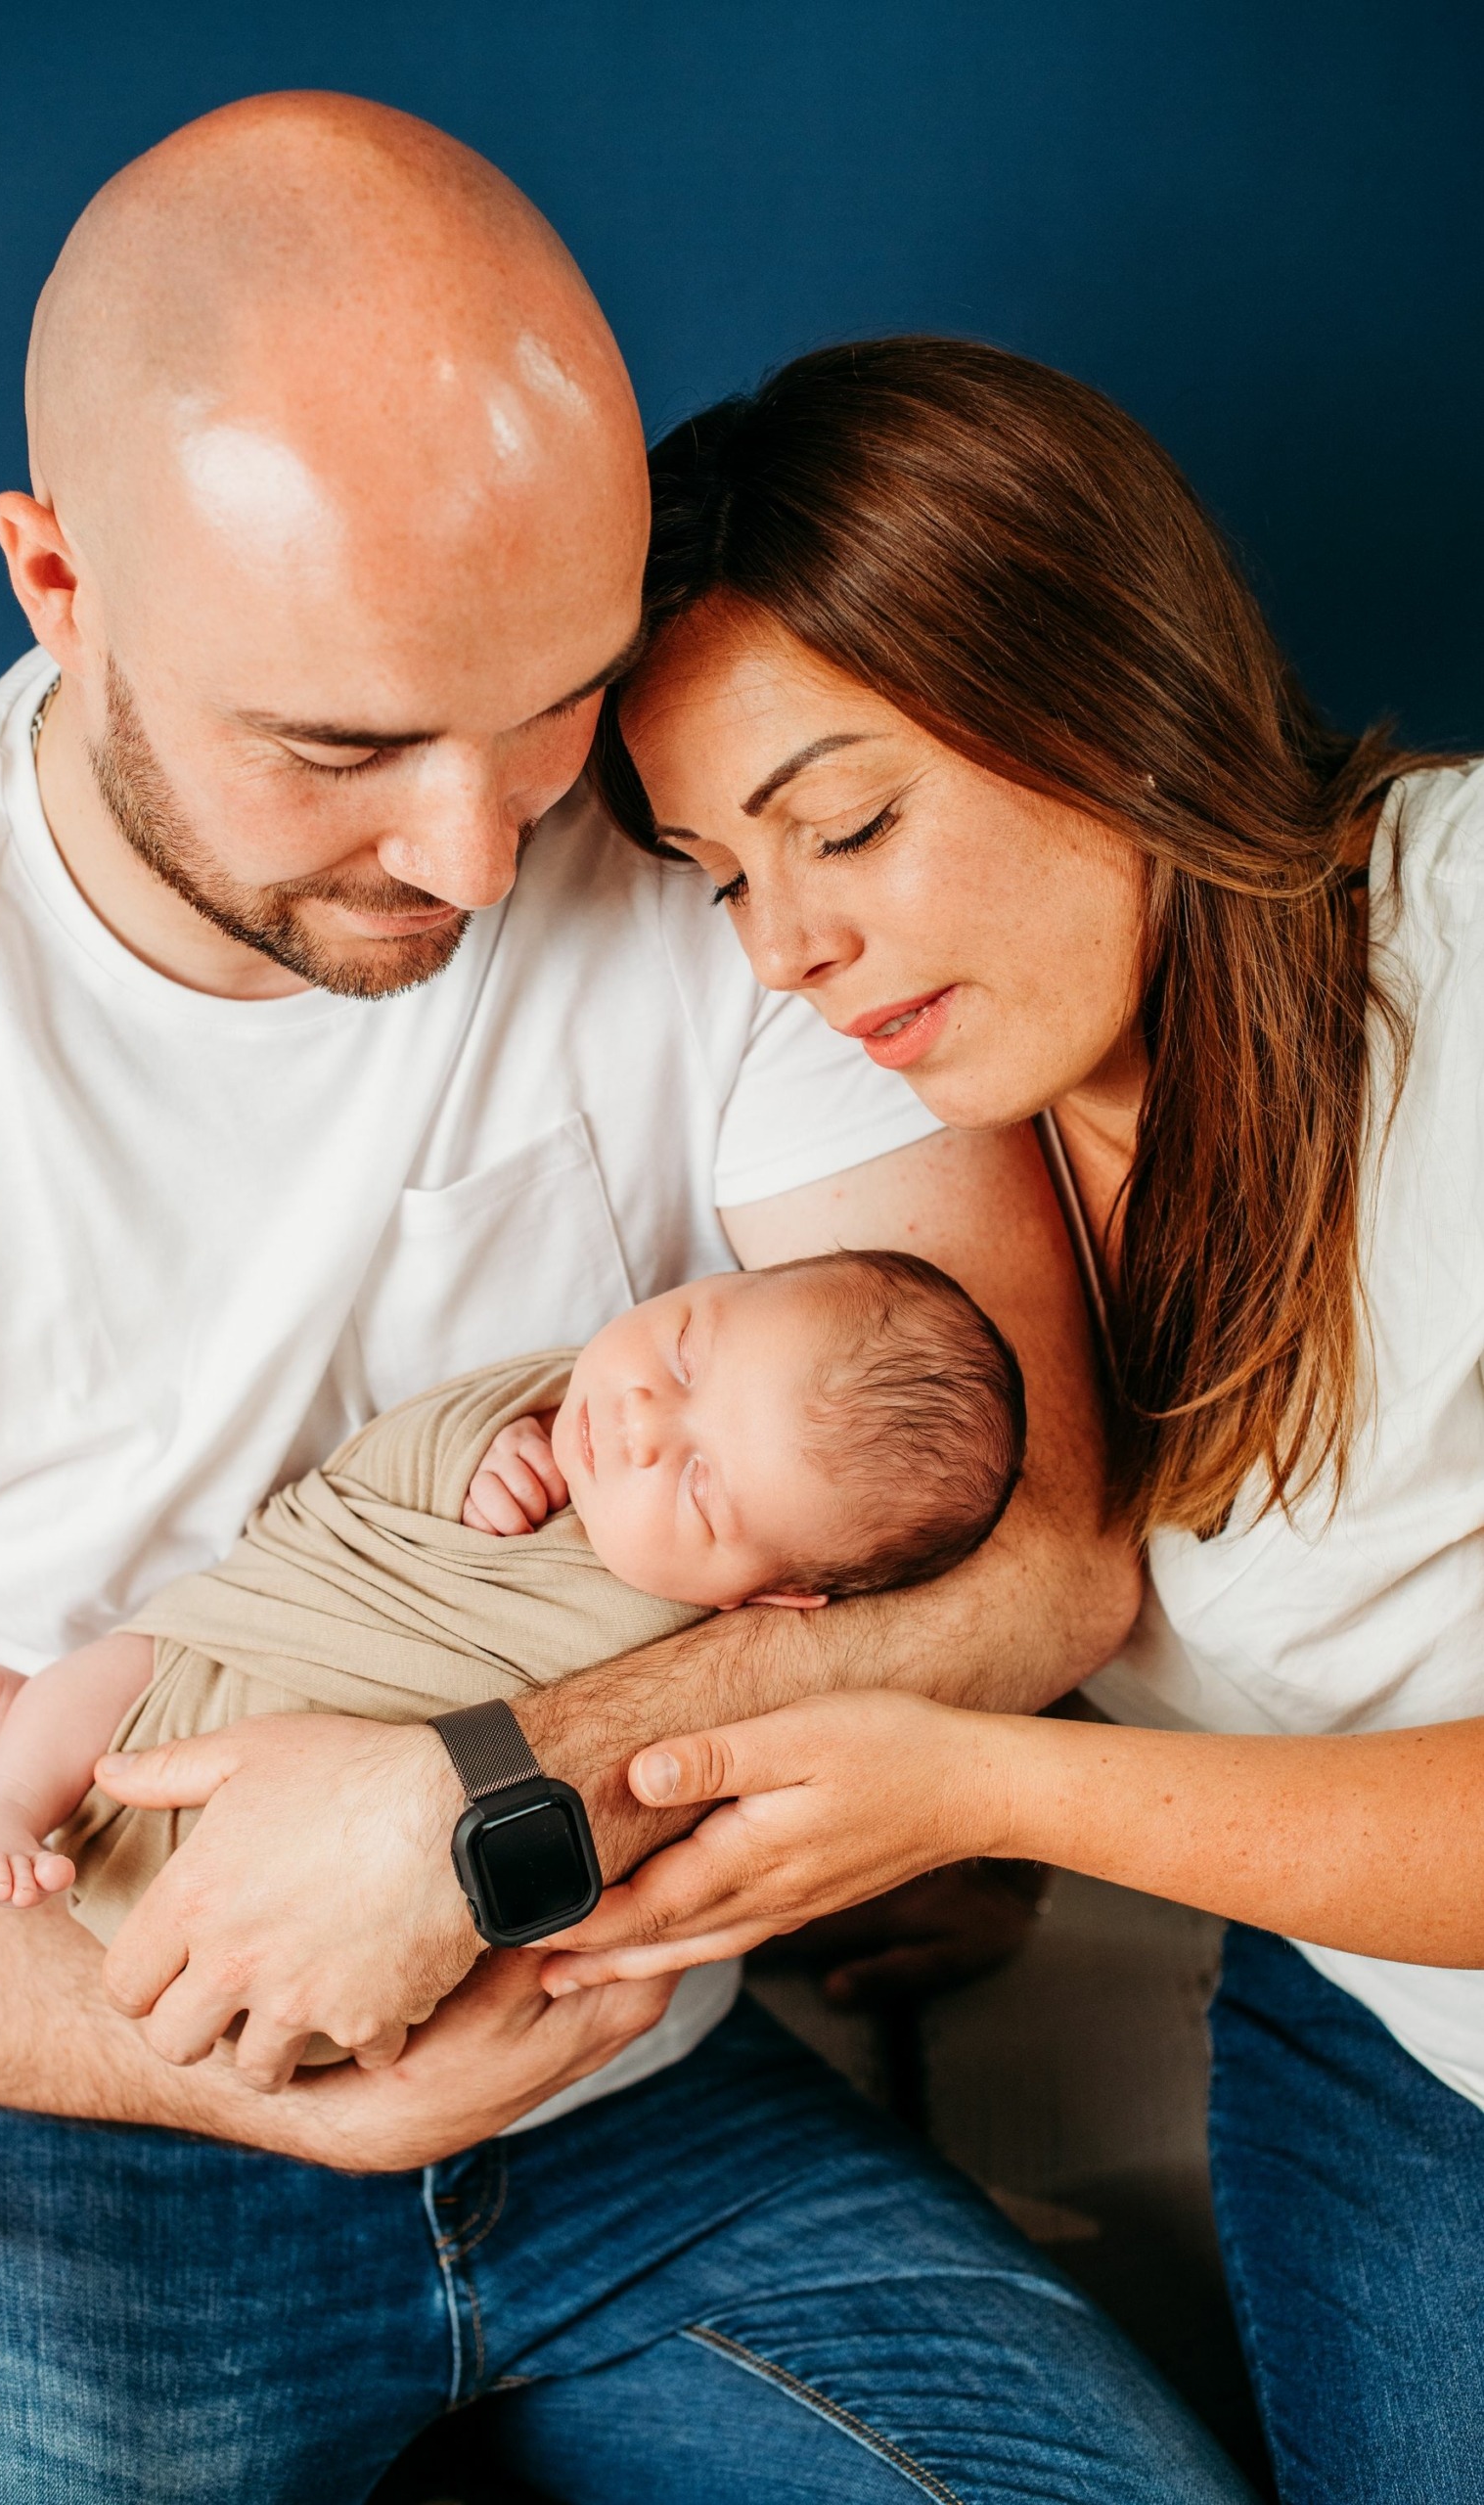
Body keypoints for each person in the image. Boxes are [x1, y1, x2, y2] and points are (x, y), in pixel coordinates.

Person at [0, 94, 1255, 2505]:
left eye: (549, 698)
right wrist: (222, 2039)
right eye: (344, 744)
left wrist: (487, 1806)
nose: (483, 854)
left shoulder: (719, 836)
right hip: (81, 2109)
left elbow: (1035, 1551)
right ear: (59, 582)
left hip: (644, 2072)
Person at [542, 335, 1484, 2505]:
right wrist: (973, 1844)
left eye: (844, 820)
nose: (787, 945)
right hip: (1381, 2024)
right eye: (717, 874)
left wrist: (991, 1784)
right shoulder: (940, 1155)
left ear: (1099, 679)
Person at [0, 1252, 1023, 1914]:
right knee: (119, 1671)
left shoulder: (678, 1654)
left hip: (332, 1832)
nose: (639, 1423)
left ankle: (69, 1773)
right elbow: (369, 1486)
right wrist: (472, 1454)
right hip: (247, 1643)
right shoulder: (540, 1407)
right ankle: (11, 1795)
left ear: (770, 1599)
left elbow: (583, 1774)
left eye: (699, 1491)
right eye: (684, 1355)